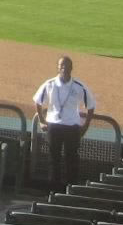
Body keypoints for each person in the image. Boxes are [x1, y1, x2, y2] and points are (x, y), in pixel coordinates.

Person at [34, 56, 96, 190]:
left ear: (71, 68)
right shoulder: (49, 84)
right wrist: (41, 120)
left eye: (67, 65)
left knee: (71, 159)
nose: (64, 68)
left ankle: (71, 189)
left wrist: (85, 125)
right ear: (57, 67)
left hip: (72, 127)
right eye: (61, 65)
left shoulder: (79, 86)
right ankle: (53, 190)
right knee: (53, 159)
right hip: (53, 125)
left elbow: (91, 106)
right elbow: (38, 101)